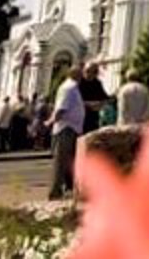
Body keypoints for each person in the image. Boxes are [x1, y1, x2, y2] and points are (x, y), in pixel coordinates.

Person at [47, 66, 84, 200]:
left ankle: (65, 190)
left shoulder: (72, 87)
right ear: (76, 74)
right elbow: (61, 109)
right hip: (66, 129)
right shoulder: (68, 88)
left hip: (72, 128)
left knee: (68, 162)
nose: (83, 76)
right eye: (81, 73)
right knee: (60, 161)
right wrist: (50, 121)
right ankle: (55, 192)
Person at [78, 63, 109, 133]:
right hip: (78, 117)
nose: (88, 74)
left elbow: (105, 99)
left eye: (92, 72)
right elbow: (73, 101)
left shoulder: (97, 83)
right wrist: (89, 104)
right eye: (86, 71)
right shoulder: (79, 82)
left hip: (92, 118)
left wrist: (100, 105)